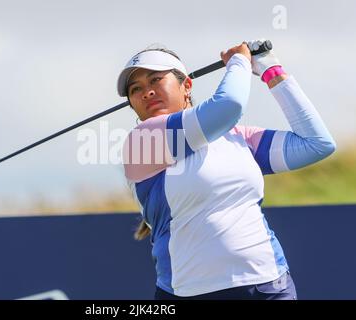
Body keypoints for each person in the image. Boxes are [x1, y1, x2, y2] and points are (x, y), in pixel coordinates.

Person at [117, 40, 336, 300]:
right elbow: (229, 106)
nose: (147, 92)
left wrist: (270, 69)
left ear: (186, 85)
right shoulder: (143, 142)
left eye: (155, 80)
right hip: (189, 293)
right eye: (136, 89)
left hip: (269, 286)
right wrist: (240, 62)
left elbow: (317, 144)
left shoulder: (237, 137)